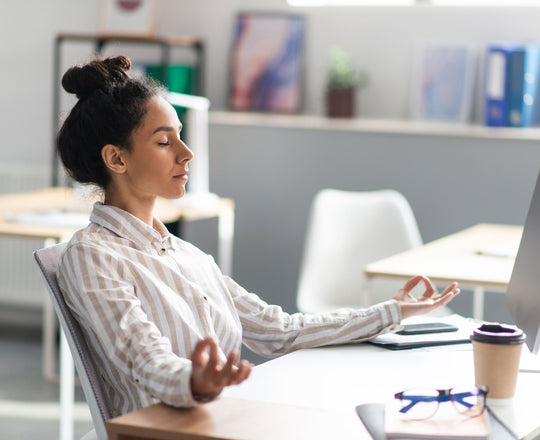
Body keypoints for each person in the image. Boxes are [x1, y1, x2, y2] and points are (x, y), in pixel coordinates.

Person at [56, 55, 460, 417]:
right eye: (164, 141)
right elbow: (143, 362)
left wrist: (392, 311)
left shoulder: (186, 255)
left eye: (181, 135)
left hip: (220, 419)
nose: (186, 152)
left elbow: (279, 330)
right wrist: (195, 381)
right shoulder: (93, 255)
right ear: (116, 158)